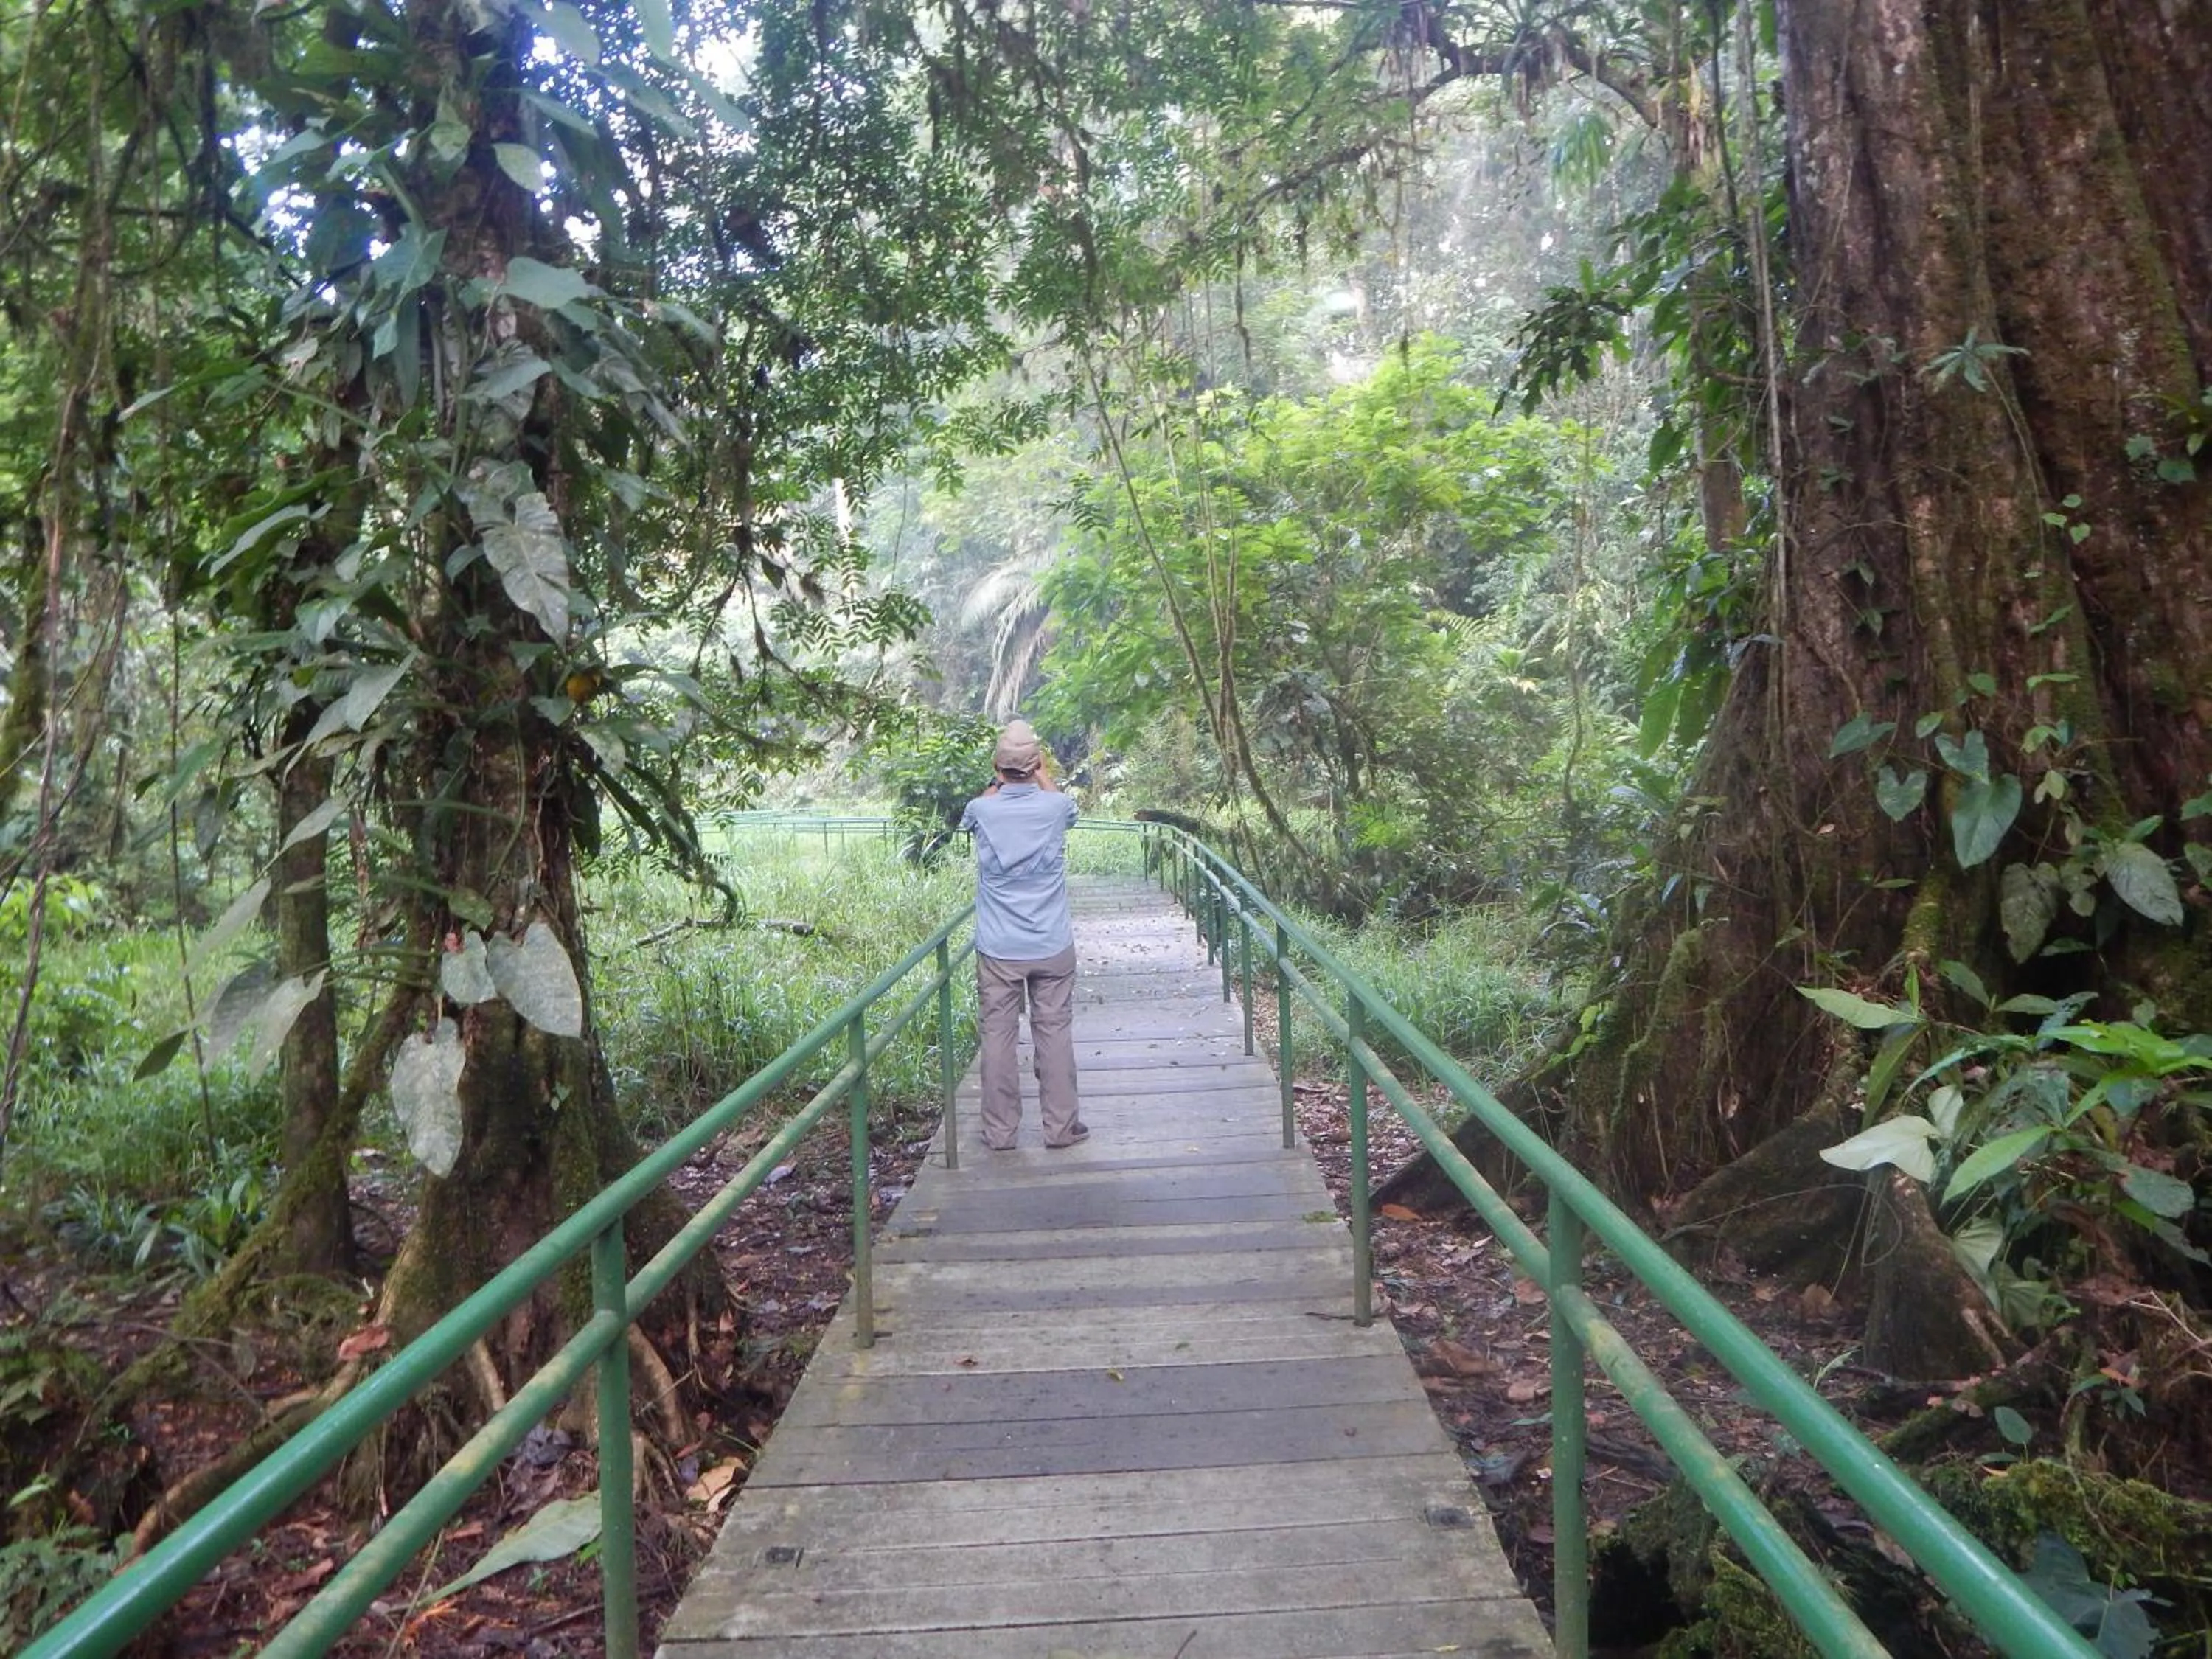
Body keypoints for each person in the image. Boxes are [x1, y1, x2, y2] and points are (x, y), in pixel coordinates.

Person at [959, 719, 1085, 1151]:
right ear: (1037, 764)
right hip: (1051, 944)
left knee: (997, 1036)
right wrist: (1040, 771)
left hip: (998, 948)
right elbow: (1064, 806)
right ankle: (1061, 1128)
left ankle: (999, 1132)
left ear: (997, 766)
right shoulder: (1056, 806)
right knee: (1054, 1032)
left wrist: (1002, 778)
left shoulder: (982, 810)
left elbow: (973, 815)